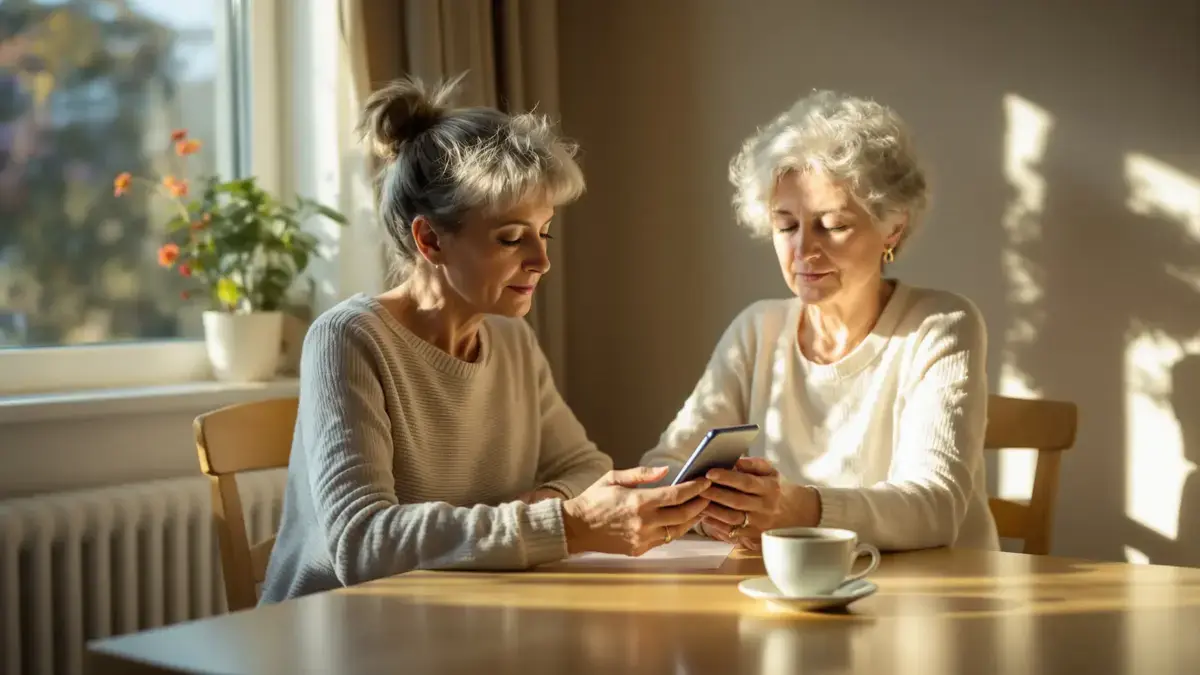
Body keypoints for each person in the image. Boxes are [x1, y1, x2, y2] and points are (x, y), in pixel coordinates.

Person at [261, 75, 710, 603]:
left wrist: (546, 507)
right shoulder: (349, 339)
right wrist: (563, 523)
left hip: (457, 616)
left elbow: (585, 466)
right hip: (337, 632)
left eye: (544, 233)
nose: (542, 261)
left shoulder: (512, 339)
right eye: (512, 238)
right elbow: (362, 543)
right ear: (429, 239)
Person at [641, 90, 999, 553]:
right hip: (786, 589)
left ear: (893, 227)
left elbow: (933, 508)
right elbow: (664, 468)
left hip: (935, 601)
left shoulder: (940, 325)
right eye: (786, 226)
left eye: (832, 225)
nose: (804, 251)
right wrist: (716, 513)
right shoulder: (757, 329)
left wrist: (796, 510)